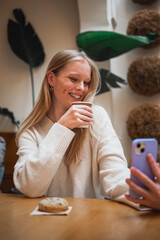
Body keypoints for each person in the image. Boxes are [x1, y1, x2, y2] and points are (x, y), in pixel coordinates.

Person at [13, 49, 159, 210]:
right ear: (51, 79)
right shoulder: (30, 131)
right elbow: (30, 187)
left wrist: (145, 192)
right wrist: (62, 127)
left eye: (86, 82)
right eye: (74, 79)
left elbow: (114, 174)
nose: (81, 88)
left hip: (90, 219)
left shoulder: (96, 117)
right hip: (45, 224)